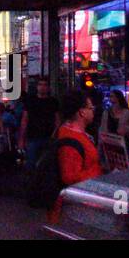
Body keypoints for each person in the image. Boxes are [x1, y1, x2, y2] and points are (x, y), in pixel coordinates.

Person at [49, 89, 102, 224]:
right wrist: (99, 173)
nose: (93, 111)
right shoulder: (70, 139)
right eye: (91, 108)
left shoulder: (72, 134)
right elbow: (69, 177)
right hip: (70, 213)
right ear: (82, 112)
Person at [19, 78, 59, 170]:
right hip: (33, 136)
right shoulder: (30, 101)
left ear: (48, 88)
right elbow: (24, 120)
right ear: (37, 87)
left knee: (47, 164)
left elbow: (57, 120)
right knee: (31, 164)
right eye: (40, 85)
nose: (42, 87)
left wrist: (54, 135)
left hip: (48, 137)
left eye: (45, 85)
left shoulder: (53, 101)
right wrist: (21, 138)